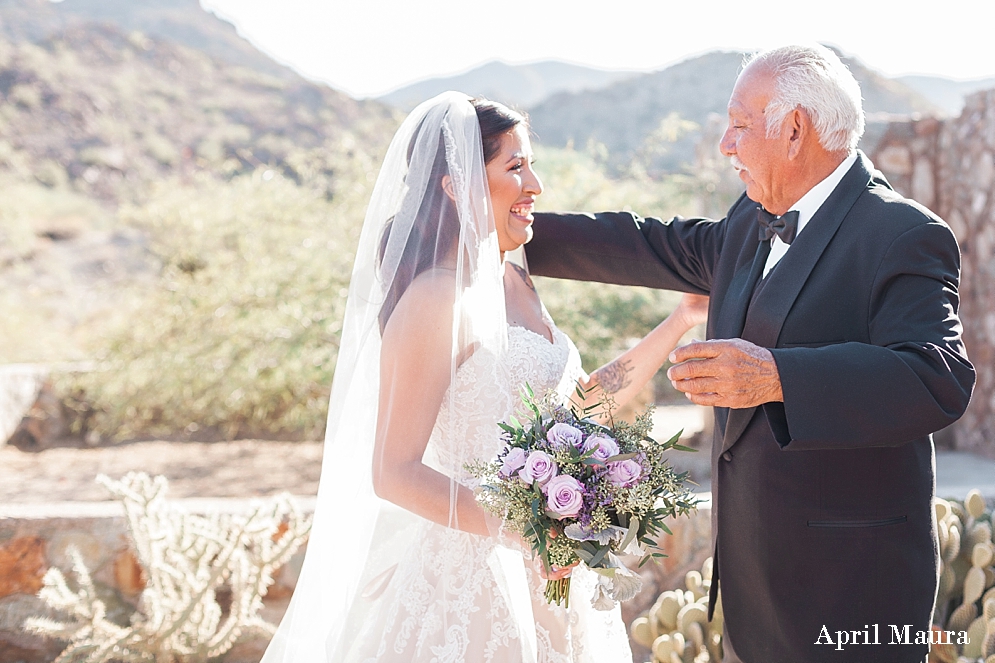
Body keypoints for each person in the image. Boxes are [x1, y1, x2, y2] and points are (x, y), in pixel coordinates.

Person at [525, 45, 976, 663]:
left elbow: (937, 376)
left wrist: (777, 377)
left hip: (850, 598)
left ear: (795, 131)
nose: (725, 145)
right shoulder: (750, 218)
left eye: (739, 124)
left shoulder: (902, 233)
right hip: (749, 600)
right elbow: (650, 243)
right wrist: (512, 230)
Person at [261, 92, 708, 663]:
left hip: (552, 577)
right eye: (516, 167)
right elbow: (393, 471)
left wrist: (681, 319)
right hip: (469, 583)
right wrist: (525, 533)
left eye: (532, 165)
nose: (536, 187)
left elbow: (579, 408)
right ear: (459, 184)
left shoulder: (516, 280)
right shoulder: (435, 297)